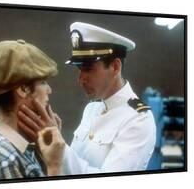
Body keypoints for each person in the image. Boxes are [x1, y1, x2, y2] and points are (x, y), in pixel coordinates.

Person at [17, 22, 157, 175]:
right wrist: (53, 146)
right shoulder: (92, 108)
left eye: (88, 69)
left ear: (115, 67)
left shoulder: (138, 119)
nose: (81, 79)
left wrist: (59, 146)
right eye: (80, 69)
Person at [0, 39, 61, 180]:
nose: (49, 90)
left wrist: (43, 152)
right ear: (23, 89)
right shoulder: (6, 160)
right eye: (43, 82)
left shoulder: (11, 140)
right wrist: (55, 165)